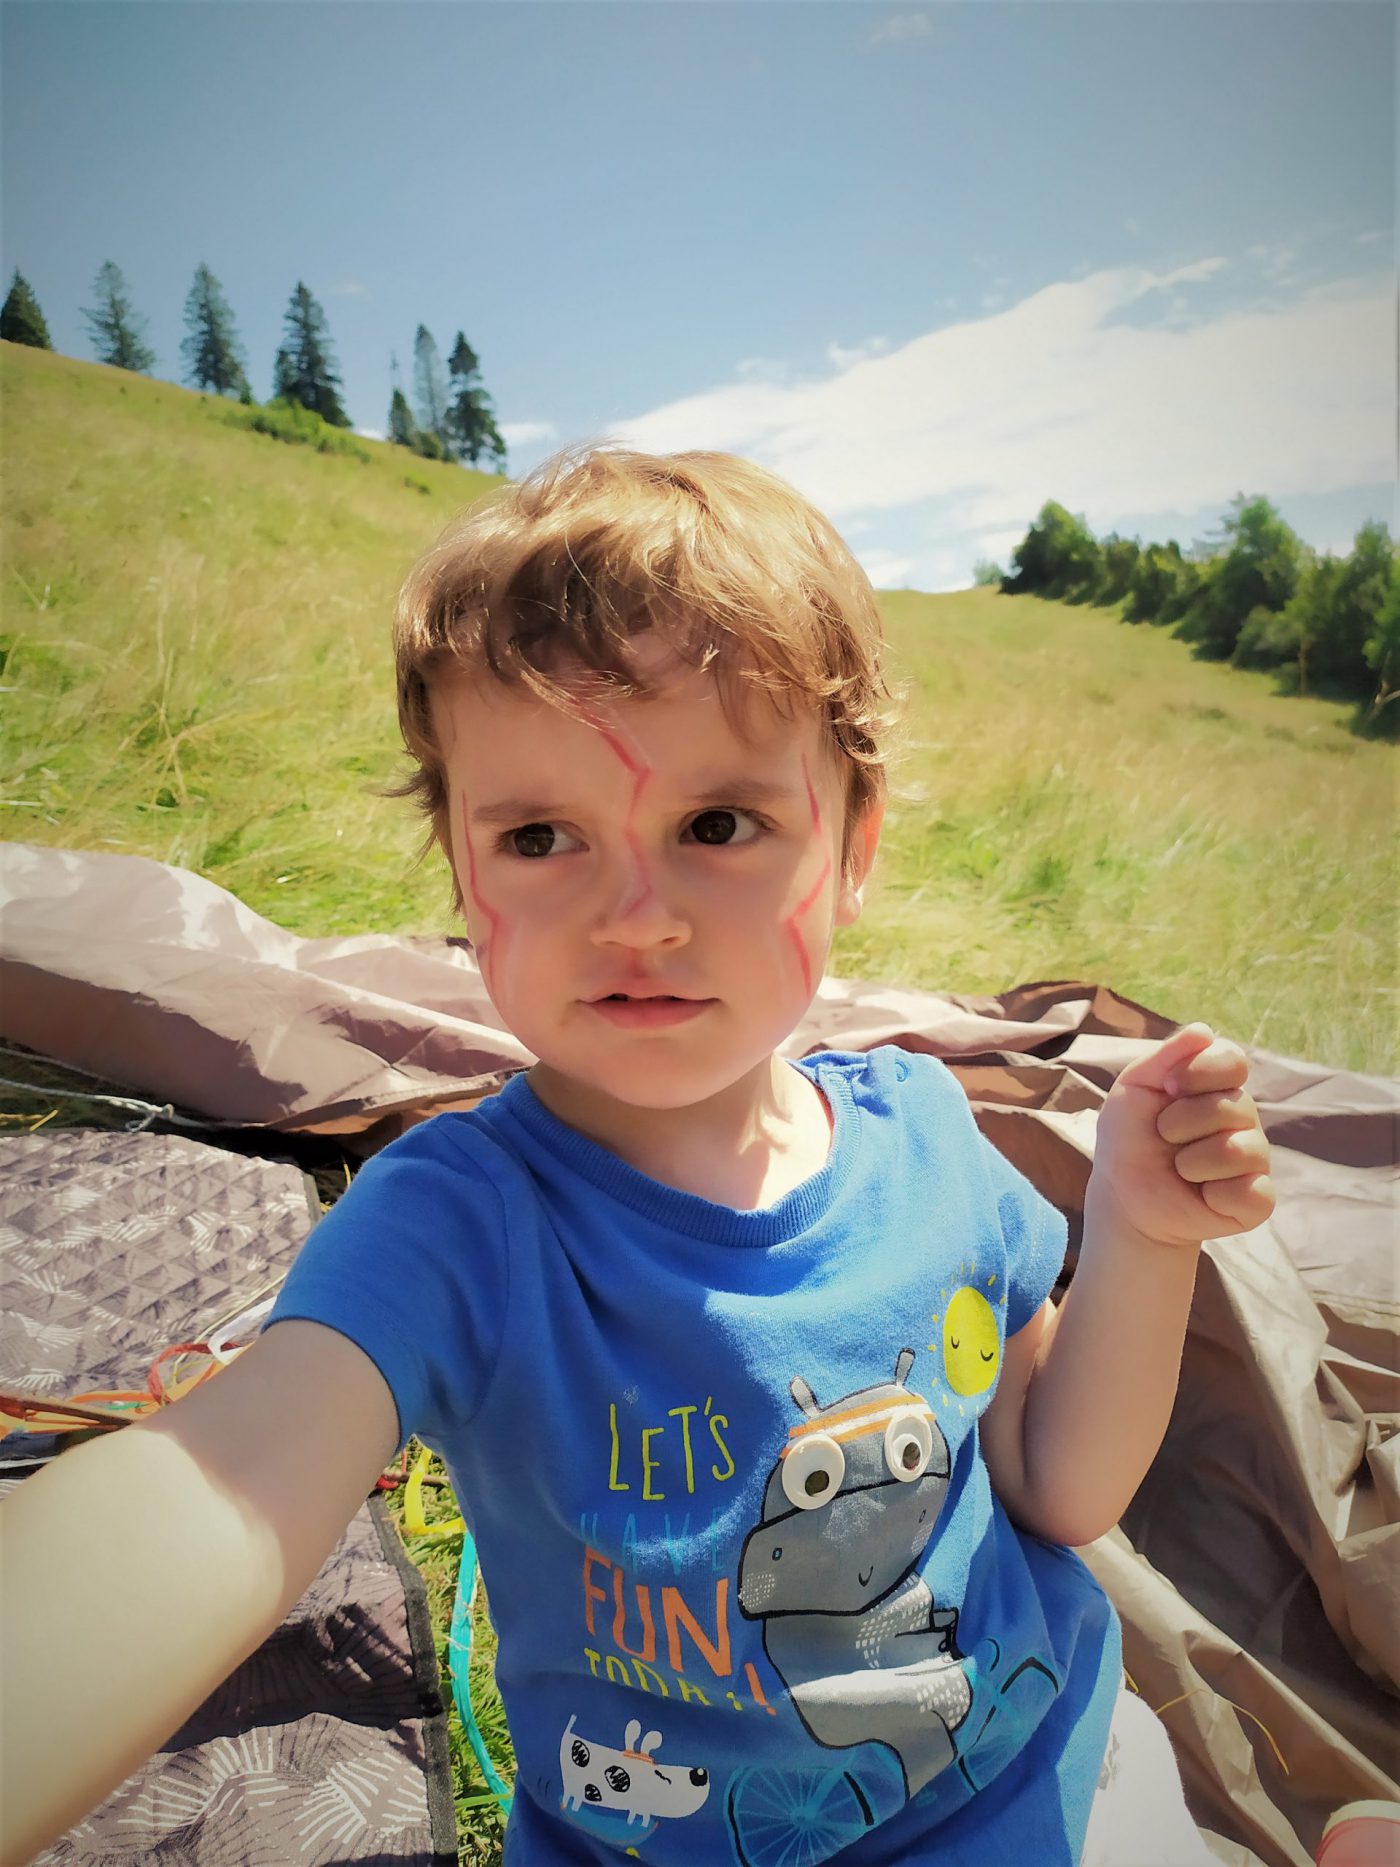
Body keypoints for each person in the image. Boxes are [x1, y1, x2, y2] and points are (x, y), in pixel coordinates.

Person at [0, 446, 1273, 1866]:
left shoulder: (930, 1138)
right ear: (461, 869)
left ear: (852, 849)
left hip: (1047, 1779)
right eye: (542, 836)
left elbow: (1058, 1484)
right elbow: (223, 1481)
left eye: (718, 824)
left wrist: (1146, 1234)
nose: (637, 915)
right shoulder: (459, 1228)